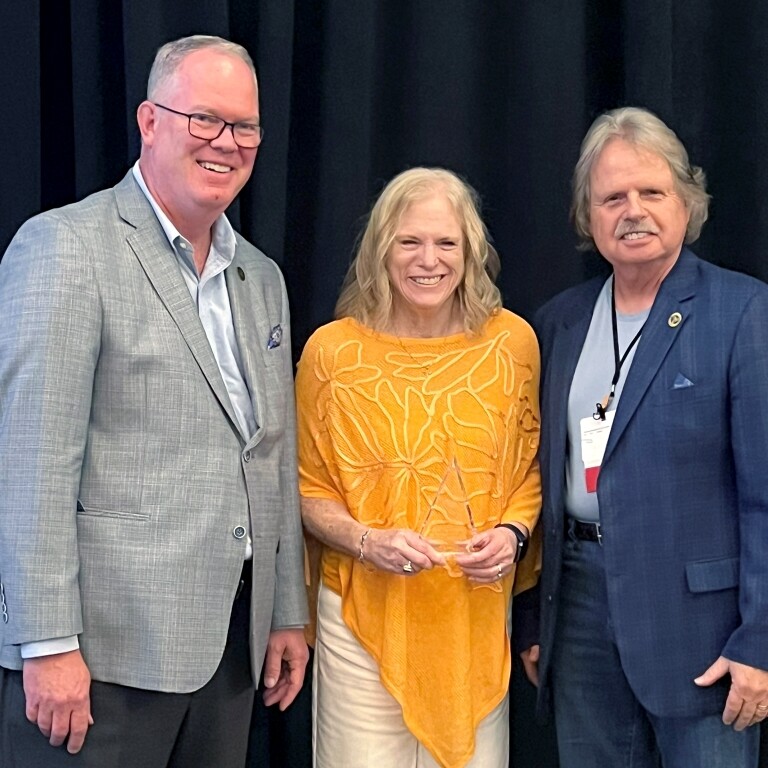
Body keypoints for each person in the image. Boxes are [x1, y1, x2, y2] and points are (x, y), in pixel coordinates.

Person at [0, 34, 308, 767]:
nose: (226, 143)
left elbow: (271, 456)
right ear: (148, 121)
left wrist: (286, 611)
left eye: (244, 128)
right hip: (99, 664)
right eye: (205, 119)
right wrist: (46, 644)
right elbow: (32, 463)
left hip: (230, 658)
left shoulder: (259, 277)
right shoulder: (66, 248)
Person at [522, 106, 768, 767]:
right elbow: (533, 481)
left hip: (705, 634)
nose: (632, 210)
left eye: (651, 192)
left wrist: (760, 642)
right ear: (588, 217)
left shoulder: (743, 312)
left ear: (687, 202)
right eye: (612, 198)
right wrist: (536, 620)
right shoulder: (557, 325)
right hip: (576, 612)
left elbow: (764, 498)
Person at [295, 167, 541, 768]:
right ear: (381, 249)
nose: (427, 259)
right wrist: (364, 540)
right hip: (360, 621)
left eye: (446, 243)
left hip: (472, 622)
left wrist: (511, 536)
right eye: (409, 241)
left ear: (471, 253)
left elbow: (528, 471)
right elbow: (303, 488)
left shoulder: (512, 344)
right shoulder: (331, 352)